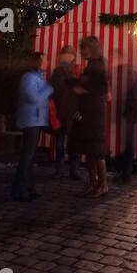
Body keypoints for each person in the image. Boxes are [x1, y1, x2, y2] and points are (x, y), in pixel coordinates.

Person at [70, 36, 110, 198]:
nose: (82, 50)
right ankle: (93, 183)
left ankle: (102, 184)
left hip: (94, 113)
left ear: (91, 48)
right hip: (90, 112)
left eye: (84, 47)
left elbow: (99, 89)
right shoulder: (95, 63)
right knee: (90, 149)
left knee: (96, 150)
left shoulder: (97, 65)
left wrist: (79, 88)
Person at [13, 52, 52, 201]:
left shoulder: (36, 77)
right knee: (27, 156)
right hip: (30, 121)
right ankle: (20, 190)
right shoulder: (28, 78)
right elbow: (33, 97)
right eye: (44, 59)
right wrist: (49, 89)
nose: (47, 61)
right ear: (37, 62)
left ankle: (29, 187)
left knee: (30, 156)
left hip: (36, 120)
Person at [49, 45, 84, 179]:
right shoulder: (59, 72)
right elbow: (53, 89)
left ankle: (71, 170)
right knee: (60, 142)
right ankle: (62, 169)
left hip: (72, 111)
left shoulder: (75, 71)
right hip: (61, 111)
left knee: (71, 142)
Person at [116, 50, 137, 182]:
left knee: (128, 141)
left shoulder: (126, 72)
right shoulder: (129, 71)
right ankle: (126, 171)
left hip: (131, 109)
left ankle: (126, 173)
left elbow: (124, 91)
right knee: (128, 141)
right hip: (133, 108)